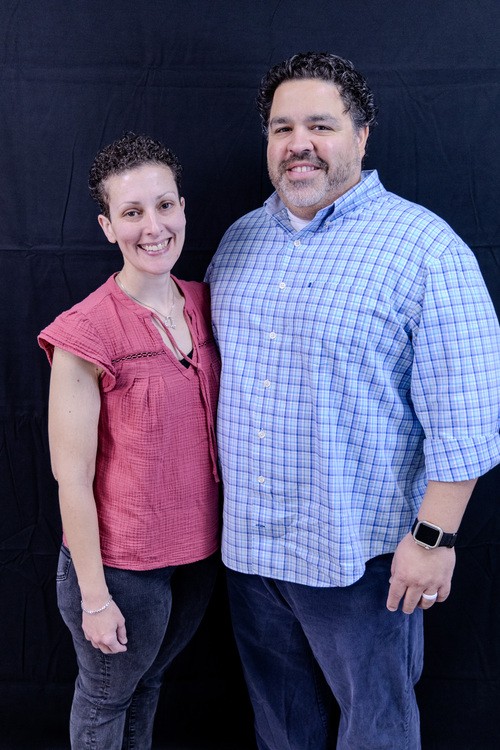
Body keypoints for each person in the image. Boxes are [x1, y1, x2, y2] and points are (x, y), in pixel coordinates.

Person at [205, 52, 500, 749]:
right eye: (282, 128)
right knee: (283, 734)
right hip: (250, 554)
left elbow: (466, 413)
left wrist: (433, 540)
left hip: (360, 560)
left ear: (362, 136)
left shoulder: (425, 249)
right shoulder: (239, 240)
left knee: (377, 735)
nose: (298, 143)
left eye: (320, 124)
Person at [38, 132, 221, 749]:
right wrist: (94, 598)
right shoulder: (85, 332)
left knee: (149, 684)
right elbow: (72, 478)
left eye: (164, 206)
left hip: (196, 554)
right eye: (132, 212)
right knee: (106, 698)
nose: (153, 227)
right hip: (121, 567)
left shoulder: (207, 303)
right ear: (107, 226)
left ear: (183, 208)